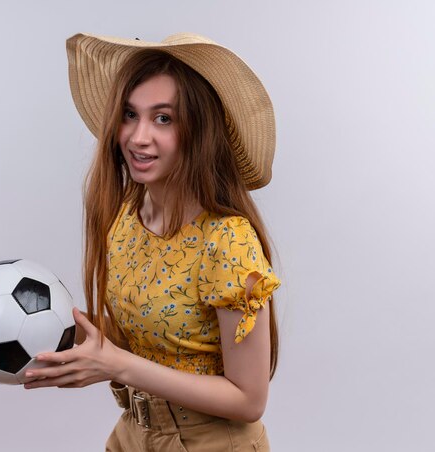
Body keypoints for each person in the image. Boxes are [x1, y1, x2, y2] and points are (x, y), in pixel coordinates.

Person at [24, 32, 281, 451]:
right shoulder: (126, 215)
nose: (138, 137)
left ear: (198, 130)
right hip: (134, 433)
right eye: (129, 114)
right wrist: (51, 325)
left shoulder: (228, 242)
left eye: (163, 118)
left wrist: (115, 364)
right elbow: (143, 341)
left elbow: (250, 400)